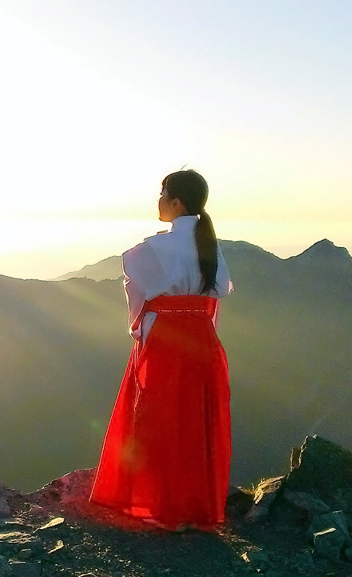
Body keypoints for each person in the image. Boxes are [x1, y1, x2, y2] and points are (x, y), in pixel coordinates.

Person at [89, 169, 233, 531]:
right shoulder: (208, 245)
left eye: (162, 192)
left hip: (166, 337)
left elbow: (137, 288)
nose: (158, 200)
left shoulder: (153, 249)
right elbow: (216, 294)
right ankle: (193, 508)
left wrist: (139, 326)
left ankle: (162, 506)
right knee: (196, 421)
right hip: (202, 338)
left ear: (176, 202)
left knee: (161, 419)